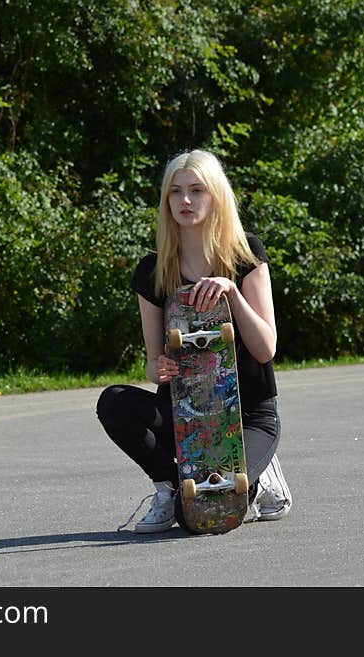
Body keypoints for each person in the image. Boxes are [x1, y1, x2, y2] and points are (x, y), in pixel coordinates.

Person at [96, 149, 291, 533]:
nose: (185, 200)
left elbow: (266, 348)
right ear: (166, 200)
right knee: (114, 402)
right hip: (186, 415)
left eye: (197, 190)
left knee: (202, 520)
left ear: (215, 195)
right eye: (176, 192)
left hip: (248, 415)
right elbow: (153, 362)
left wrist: (232, 293)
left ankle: (261, 475)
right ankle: (169, 488)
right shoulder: (153, 271)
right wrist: (160, 367)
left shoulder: (245, 254)